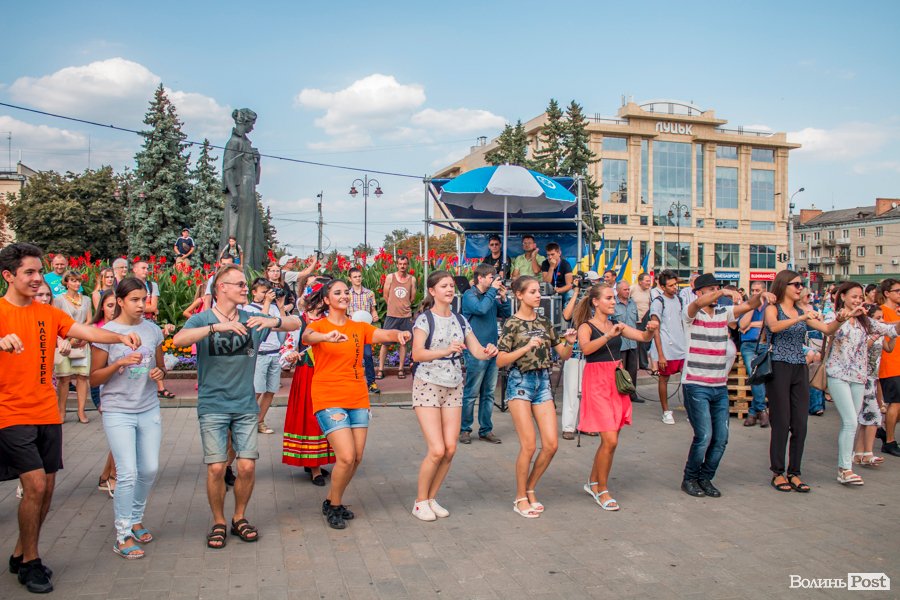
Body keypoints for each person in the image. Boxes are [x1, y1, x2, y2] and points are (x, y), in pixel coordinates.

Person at [0, 242, 142, 593]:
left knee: (46, 489)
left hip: (48, 411)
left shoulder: (47, 313)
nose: (38, 278)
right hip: (10, 413)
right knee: (34, 485)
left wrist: (119, 336)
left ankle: (20, 552)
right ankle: (31, 562)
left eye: (39, 271)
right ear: (8, 276)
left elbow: (86, 332)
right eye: (29, 272)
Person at [172, 264, 299, 548]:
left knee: (247, 466)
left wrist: (272, 321)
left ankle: (239, 517)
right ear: (222, 288)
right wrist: (216, 328)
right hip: (213, 404)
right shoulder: (202, 319)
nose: (245, 288)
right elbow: (179, 340)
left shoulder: (251, 318)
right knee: (217, 468)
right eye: (240, 284)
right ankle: (218, 521)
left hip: (245, 405)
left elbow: (295, 323)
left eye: (245, 284)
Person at [302, 279, 411, 529]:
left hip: (357, 397)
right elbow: (308, 337)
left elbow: (382, 334)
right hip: (329, 397)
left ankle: (331, 499)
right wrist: (326, 336)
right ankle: (335, 505)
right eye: (337, 292)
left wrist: (398, 334)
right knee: (346, 456)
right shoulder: (318, 326)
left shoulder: (358, 327)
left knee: (357, 457)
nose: (344, 295)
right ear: (326, 299)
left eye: (346, 292)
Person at [410, 270, 498, 521]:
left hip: (454, 386)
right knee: (437, 449)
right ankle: (420, 502)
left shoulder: (460, 320)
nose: (449, 289)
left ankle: (431, 498)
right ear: (432, 291)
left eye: (451, 285)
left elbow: (477, 351)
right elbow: (417, 354)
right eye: (444, 286)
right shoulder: (425, 319)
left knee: (450, 449)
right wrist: (445, 350)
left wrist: (489, 350)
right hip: (428, 384)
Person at [90, 277, 168, 559]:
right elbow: (94, 378)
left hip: (147, 406)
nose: (141, 305)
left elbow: (161, 367)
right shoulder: (107, 333)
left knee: (149, 469)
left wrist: (160, 373)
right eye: (134, 300)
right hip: (117, 409)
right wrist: (120, 363)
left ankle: (135, 519)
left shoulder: (152, 330)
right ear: (120, 301)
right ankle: (122, 534)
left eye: (144, 299)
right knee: (127, 473)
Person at [678, 274, 773, 498]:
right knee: (704, 436)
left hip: (719, 386)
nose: (715, 293)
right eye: (710, 289)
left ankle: (705, 478)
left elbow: (748, 305)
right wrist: (722, 291)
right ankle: (689, 479)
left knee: (721, 438)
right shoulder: (690, 313)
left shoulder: (724, 312)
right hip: (696, 384)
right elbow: (698, 304)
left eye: (716, 289)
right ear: (699, 292)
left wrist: (761, 296)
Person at [497, 276, 577, 518]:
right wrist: (525, 347)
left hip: (543, 382)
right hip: (520, 382)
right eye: (532, 292)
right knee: (529, 445)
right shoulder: (512, 324)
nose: (538, 295)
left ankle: (530, 487)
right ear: (519, 295)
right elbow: (500, 360)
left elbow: (563, 354)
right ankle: (520, 497)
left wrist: (569, 343)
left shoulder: (544, 321)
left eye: (538, 291)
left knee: (551, 445)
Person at [572, 283, 658, 510]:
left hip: (616, 381)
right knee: (610, 440)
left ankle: (593, 482)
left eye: (612, 298)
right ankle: (602, 489)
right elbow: (586, 349)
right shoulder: (586, 326)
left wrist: (650, 329)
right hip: (597, 382)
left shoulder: (616, 324)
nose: (613, 302)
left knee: (609, 442)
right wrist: (608, 335)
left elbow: (642, 336)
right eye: (608, 298)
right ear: (595, 302)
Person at [764, 270, 835, 493]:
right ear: (783, 285)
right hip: (778, 366)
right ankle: (778, 472)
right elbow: (774, 327)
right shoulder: (773, 308)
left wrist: (843, 318)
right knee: (781, 422)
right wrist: (802, 318)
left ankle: (794, 472)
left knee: (800, 425)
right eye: (795, 284)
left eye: (801, 284)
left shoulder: (802, 311)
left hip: (799, 367)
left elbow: (827, 329)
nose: (800, 288)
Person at [823, 282, 900, 486]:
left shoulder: (864, 321)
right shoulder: (834, 316)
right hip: (838, 374)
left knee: (853, 422)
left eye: (860, 297)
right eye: (854, 296)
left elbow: (889, 329)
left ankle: (851, 462)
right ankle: (844, 469)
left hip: (859, 376)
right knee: (850, 421)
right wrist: (843, 317)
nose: (858, 300)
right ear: (843, 297)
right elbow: (829, 331)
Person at [280, 282, 334, 485]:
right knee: (311, 417)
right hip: (307, 375)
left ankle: (318, 460)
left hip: (328, 374)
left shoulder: (331, 320)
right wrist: (290, 355)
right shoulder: (300, 321)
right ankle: (314, 467)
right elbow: (287, 347)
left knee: (327, 417)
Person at [460, 264, 511, 444]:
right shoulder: (469, 295)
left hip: (492, 350)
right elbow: (480, 309)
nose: (494, 280)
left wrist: (503, 298)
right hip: (475, 351)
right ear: (480, 278)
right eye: (491, 277)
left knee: (488, 393)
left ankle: (486, 430)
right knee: (471, 392)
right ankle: (464, 429)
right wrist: (493, 292)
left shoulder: (491, 296)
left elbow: (506, 314)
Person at [561, 271, 601, 440]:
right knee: (572, 391)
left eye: (594, 282)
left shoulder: (599, 303)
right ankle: (569, 426)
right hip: (576, 353)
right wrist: (576, 292)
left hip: (595, 353)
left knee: (591, 393)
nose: (590, 286)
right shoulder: (575, 298)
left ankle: (587, 424)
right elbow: (566, 315)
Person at [245, 278, 286, 435]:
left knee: (270, 390)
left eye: (269, 292)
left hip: (274, 353)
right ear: (254, 292)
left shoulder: (274, 307)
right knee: (257, 391)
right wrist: (267, 303)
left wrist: (280, 307)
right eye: (263, 292)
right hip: (259, 355)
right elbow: (259, 327)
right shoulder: (248, 309)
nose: (267, 295)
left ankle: (260, 421)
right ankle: (245, 421)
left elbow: (284, 325)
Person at [854, 304, 893, 466]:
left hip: (873, 378)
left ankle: (859, 454)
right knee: (874, 416)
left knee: (865, 417)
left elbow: (889, 349)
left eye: (882, 317)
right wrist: (876, 334)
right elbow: (862, 349)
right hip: (863, 377)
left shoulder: (881, 334)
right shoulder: (864, 331)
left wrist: (893, 335)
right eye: (878, 318)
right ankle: (868, 453)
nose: (881, 320)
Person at [53, 270, 93, 424]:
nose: (77, 284)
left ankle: (81, 411)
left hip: (82, 341)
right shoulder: (59, 300)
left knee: (82, 377)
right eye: (73, 280)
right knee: (64, 378)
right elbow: (56, 320)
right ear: (66, 282)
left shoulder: (86, 299)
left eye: (78, 281)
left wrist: (82, 336)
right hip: (65, 343)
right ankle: (61, 411)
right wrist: (68, 339)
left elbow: (89, 320)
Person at [90, 289, 119, 497]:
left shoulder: (124, 327)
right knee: (119, 436)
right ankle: (113, 477)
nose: (113, 310)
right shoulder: (97, 330)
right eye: (109, 306)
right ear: (101, 308)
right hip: (102, 386)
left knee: (118, 437)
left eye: (116, 305)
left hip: (121, 388)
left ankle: (105, 476)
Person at [649, 270, 686, 424]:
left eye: (675, 284)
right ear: (663, 287)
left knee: (687, 380)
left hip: (682, 347)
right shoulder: (658, 302)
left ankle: (690, 409)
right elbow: (655, 329)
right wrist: (660, 355)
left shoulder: (680, 300)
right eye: (671, 285)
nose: (674, 287)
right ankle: (666, 411)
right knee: (664, 379)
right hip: (666, 348)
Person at [377, 255, 416, 380]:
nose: (402, 266)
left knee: (403, 343)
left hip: (405, 316)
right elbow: (385, 295)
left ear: (407, 265)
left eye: (404, 264)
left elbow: (412, 297)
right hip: (391, 316)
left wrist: (404, 306)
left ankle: (400, 369)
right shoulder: (390, 277)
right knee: (385, 343)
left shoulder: (412, 279)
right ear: (397, 265)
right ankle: (380, 369)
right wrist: (393, 306)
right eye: (400, 264)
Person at [738, 281, 770, 427]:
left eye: (758, 290)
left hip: (764, 344)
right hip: (748, 345)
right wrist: (752, 306)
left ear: (764, 291)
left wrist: (752, 324)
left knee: (760, 375)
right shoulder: (746, 305)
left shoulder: (769, 306)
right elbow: (742, 325)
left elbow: (768, 323)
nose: (754, 293)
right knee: (754, 373)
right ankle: (762, 410)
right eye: (753, 290)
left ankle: (753, 412)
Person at [348, 267, 380, 394]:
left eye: (359, 276)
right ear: (350, 279)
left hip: (365, 328)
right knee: (352, 356)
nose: (358, 279)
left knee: (367, 355)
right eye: (355, 277)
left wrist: (375, 315)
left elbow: (373, 310)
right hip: (351, 328)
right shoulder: (347, 294)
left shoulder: (369, 293)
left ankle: (371, 382)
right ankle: (352, 382)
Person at [878, 278, 900, 457]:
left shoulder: (896, 312)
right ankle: (890, 441)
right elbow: (880, 327)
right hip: (889, 363)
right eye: (897, 291)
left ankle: (884, 430)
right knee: (895, 403)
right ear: (887, 293)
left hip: (898, 362)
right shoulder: (882, 312)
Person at [614, 280, 643, 404]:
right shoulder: (613, 304)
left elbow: (635, 321)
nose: (627, 292)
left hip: (632, 342)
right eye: (625, 289)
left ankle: (632, 393)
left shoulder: (632, 303)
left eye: (628, 289)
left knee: (632, 369)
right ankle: (620, 394)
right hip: (620, 343)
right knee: (621, 370)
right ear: (618, 291)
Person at [630, 272, 653, 369]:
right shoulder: (633, 289)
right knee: (634, 342)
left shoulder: (650, 291)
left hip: (645, 318)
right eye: (647, 281)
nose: (649, 283)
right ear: (640, 282)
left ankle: (644, 364)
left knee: (644, 342)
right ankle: (634, 364)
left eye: (649, 281)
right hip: (634, 319)